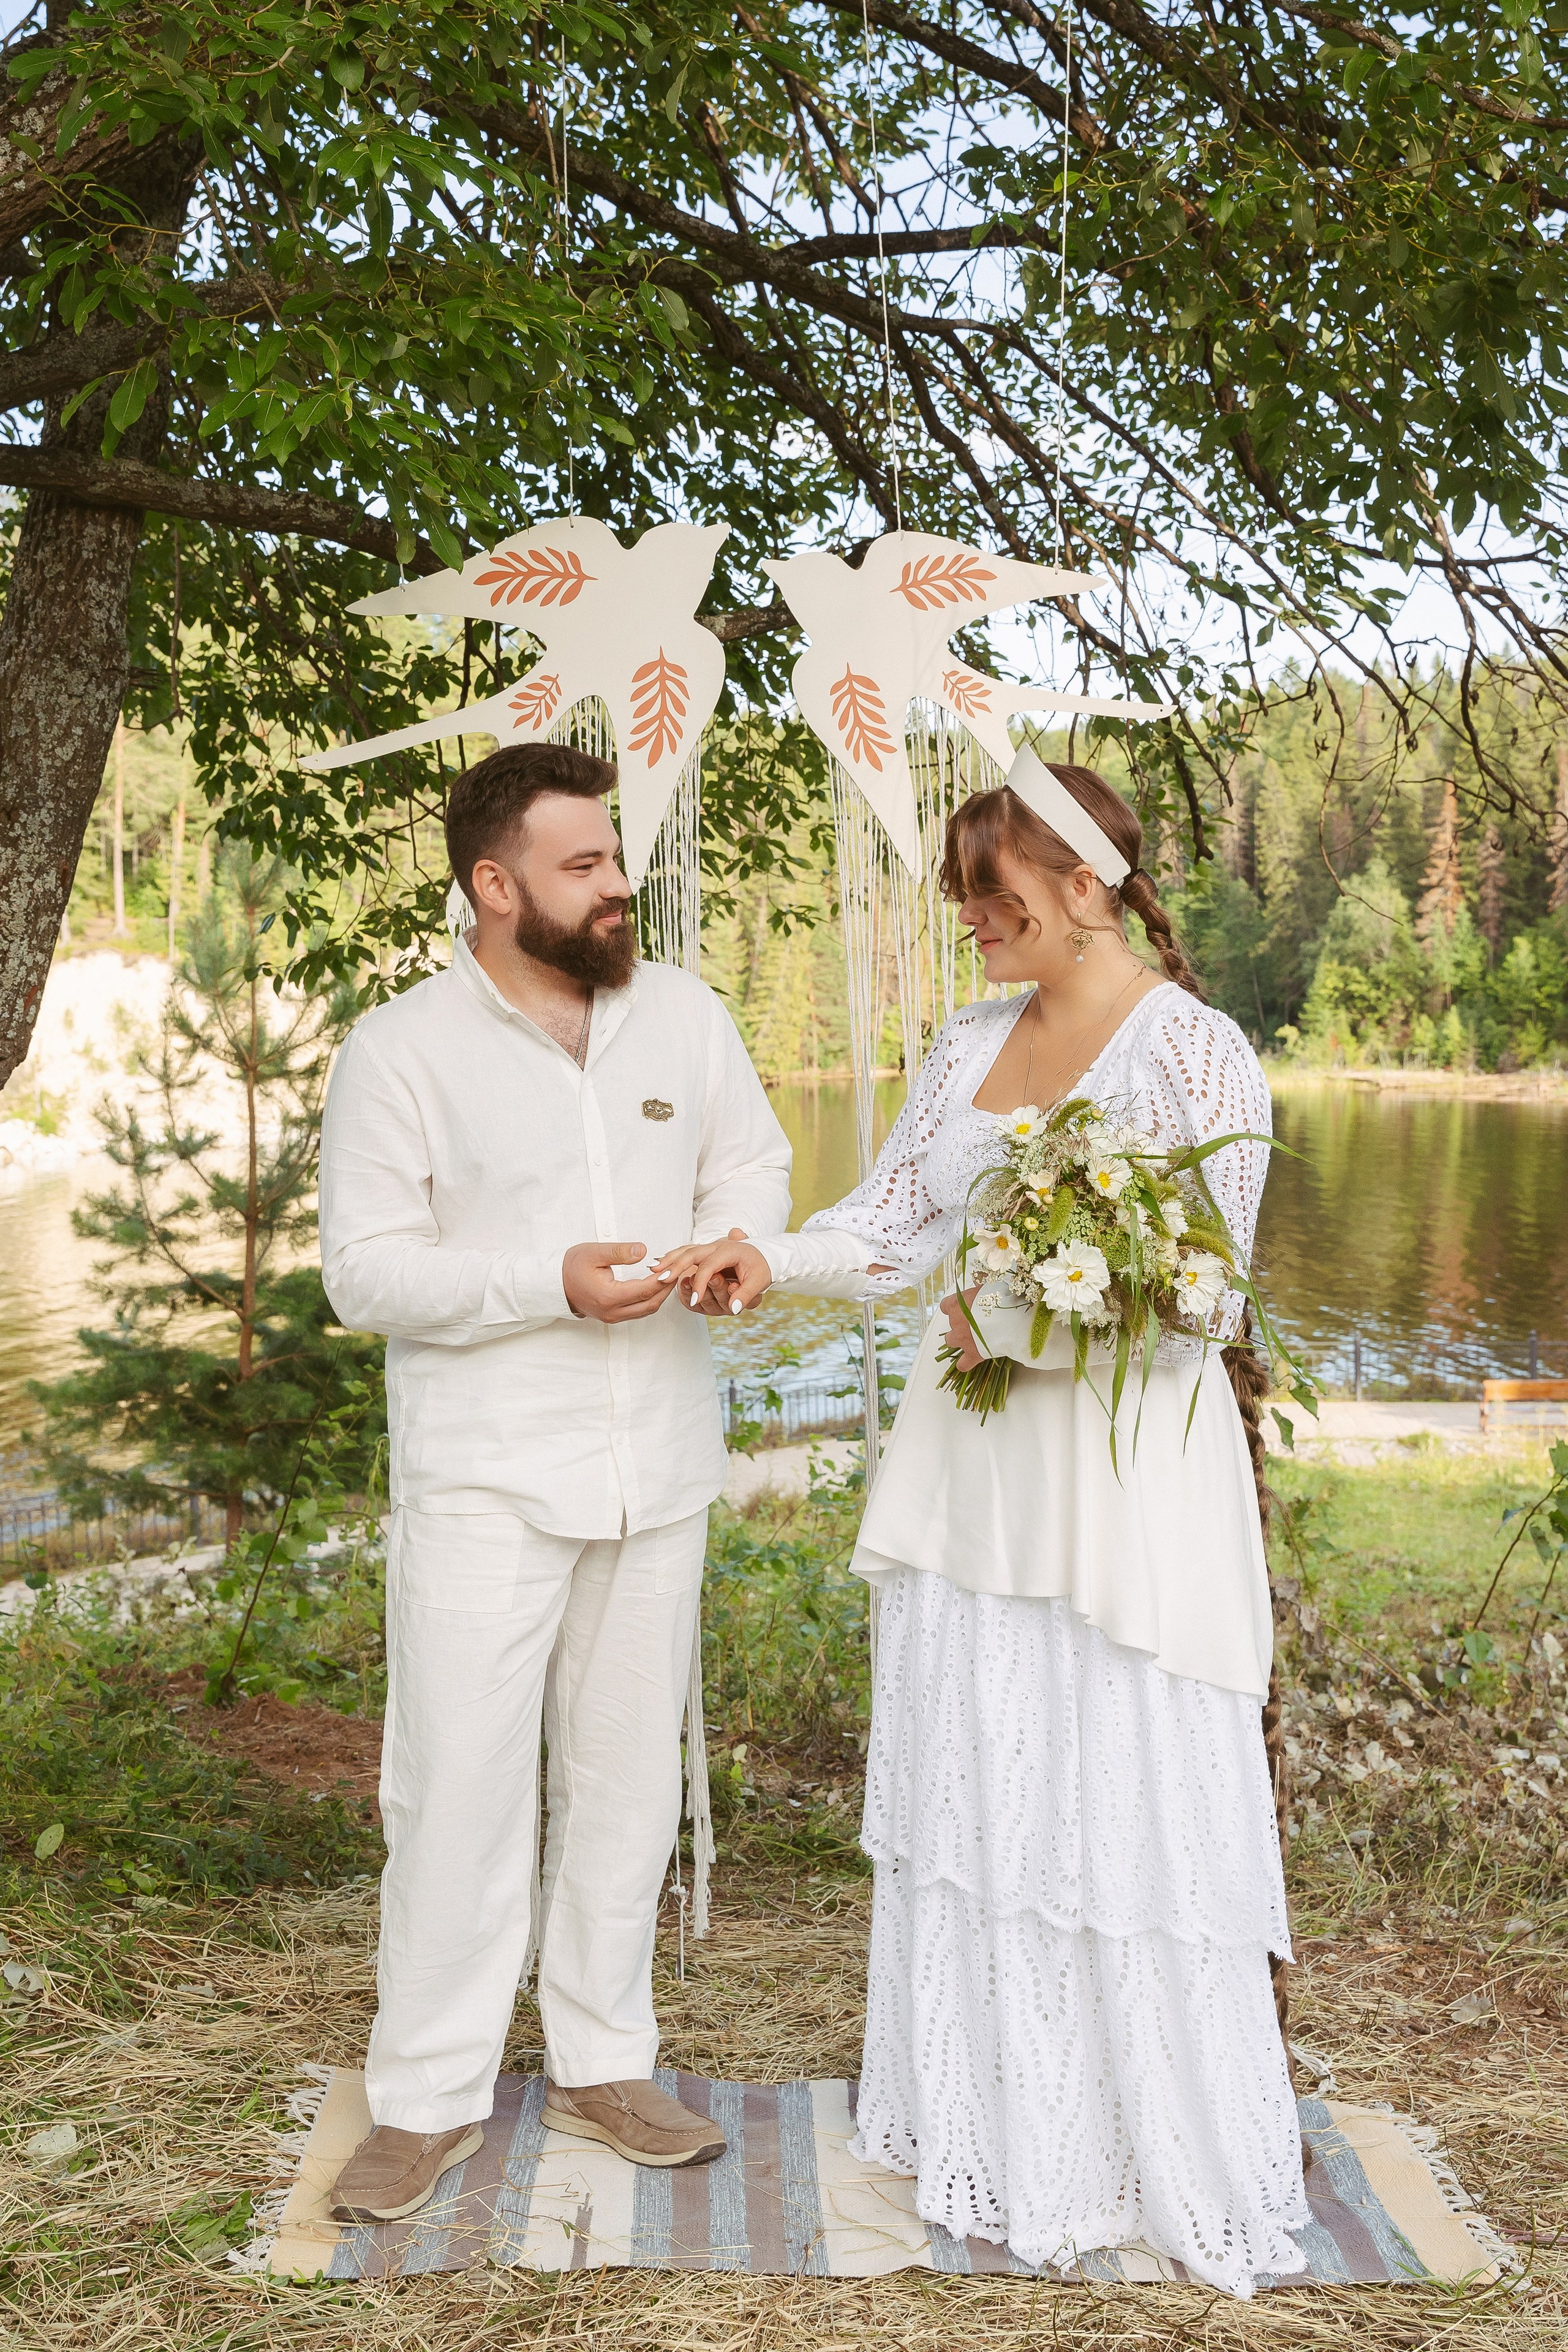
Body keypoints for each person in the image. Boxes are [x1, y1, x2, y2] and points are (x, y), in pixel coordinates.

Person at [671, 750, 1310, 2297]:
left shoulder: (1196, 1055)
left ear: (1087, 892)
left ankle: (1132, 2143)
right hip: (975, 1483)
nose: (972, 924)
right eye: (966, 898)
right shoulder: (966, 1043)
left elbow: (1206, 1290)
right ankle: (990, 2119)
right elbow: (892, 1227)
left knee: (1117, 1791)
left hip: (1116, 1489)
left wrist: (1014, 1325)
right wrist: (763, 1254)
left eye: (994, 897)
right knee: (984, 1789)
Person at [315, 741, 799, 2222]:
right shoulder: (400, 1048)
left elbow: (755, 1168)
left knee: (623, 1785)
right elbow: (364, 1274)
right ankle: (428, 2097)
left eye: (615, 856)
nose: (617, 883)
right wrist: (548, 1282)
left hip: (654, 1467)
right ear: (493, 882)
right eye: (584, 863)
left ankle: (603, 2060)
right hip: (484, 1480)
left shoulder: (685, 1018)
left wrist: (733, 1247)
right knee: (455, 1787)